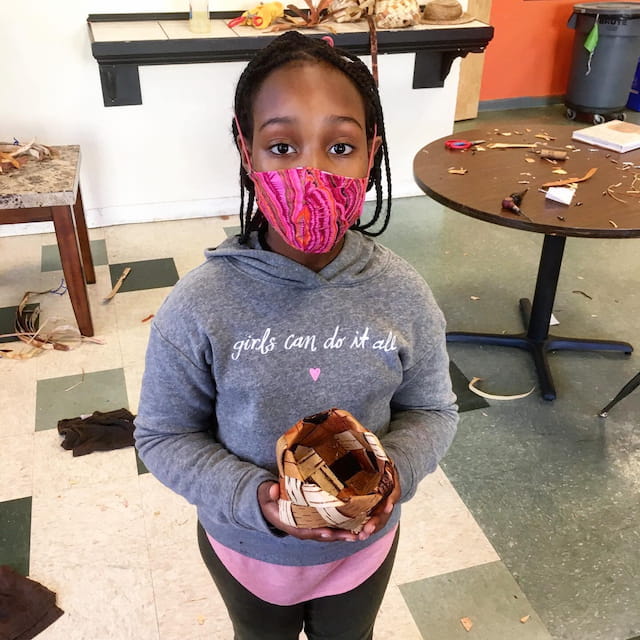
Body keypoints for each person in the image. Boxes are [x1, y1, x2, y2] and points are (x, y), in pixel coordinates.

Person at [134, 30, 458, 640]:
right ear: (245, 150)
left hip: (362, 553)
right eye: (282, 145)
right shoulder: (201, 305)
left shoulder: (403, 293)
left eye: (340, 146)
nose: (310, 170)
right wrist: (257, 500)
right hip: (247, 550)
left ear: (372, 155)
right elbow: (162, 434)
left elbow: (434, 409)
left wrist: (394, 479)